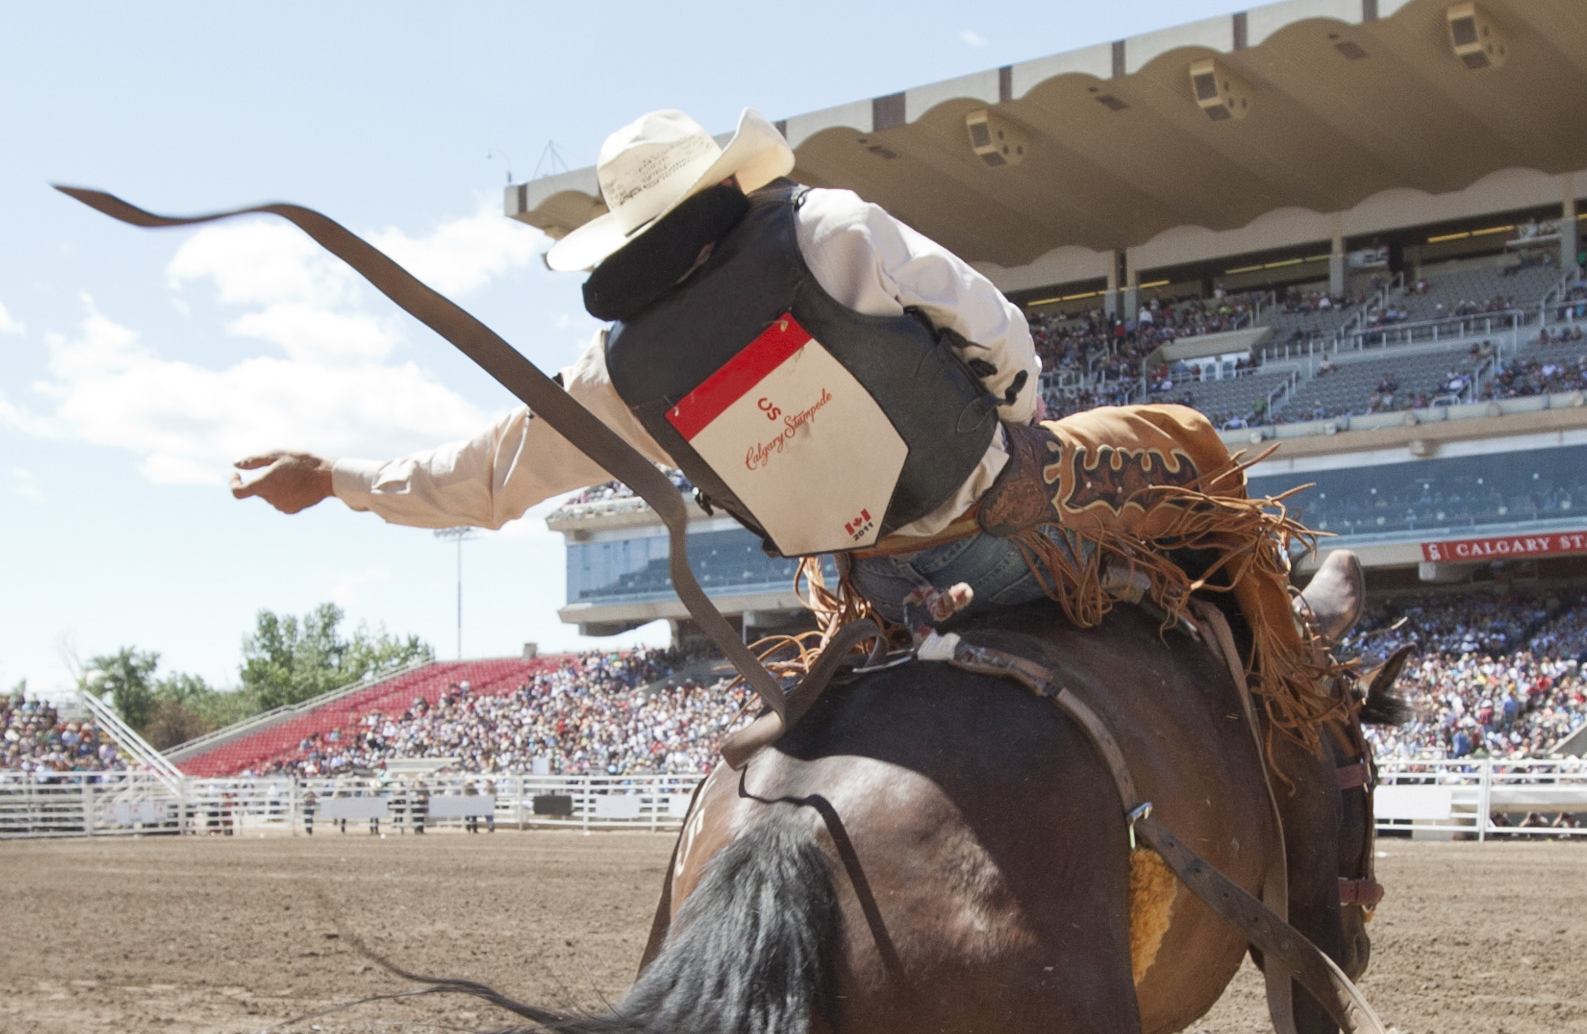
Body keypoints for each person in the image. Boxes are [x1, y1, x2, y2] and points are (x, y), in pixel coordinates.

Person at [233, 106, 1353, 754]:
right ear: (720, 181)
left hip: (866, 596)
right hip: (1015, 530)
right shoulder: (827, 228)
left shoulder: (620, 372)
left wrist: (337, 476)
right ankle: (1298, 694)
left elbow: (481, 483)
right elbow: (1003, 338)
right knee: (1195, 443)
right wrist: (1012, 444)